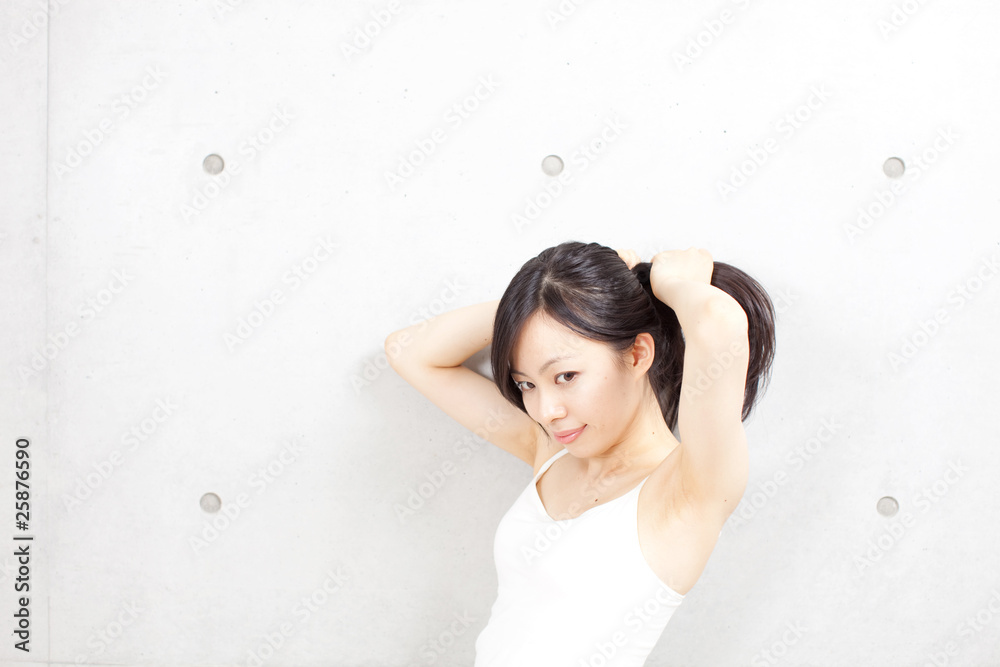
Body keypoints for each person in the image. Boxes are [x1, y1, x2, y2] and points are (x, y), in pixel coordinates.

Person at [385, 241, 775, 666]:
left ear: (638, 354)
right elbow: (409, 351)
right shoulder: (552, 453)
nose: (545, 411)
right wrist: (544, 299)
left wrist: (669, 284)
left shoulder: (687, 490)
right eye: (526, 384)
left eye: (566, 376)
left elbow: (719, 321)